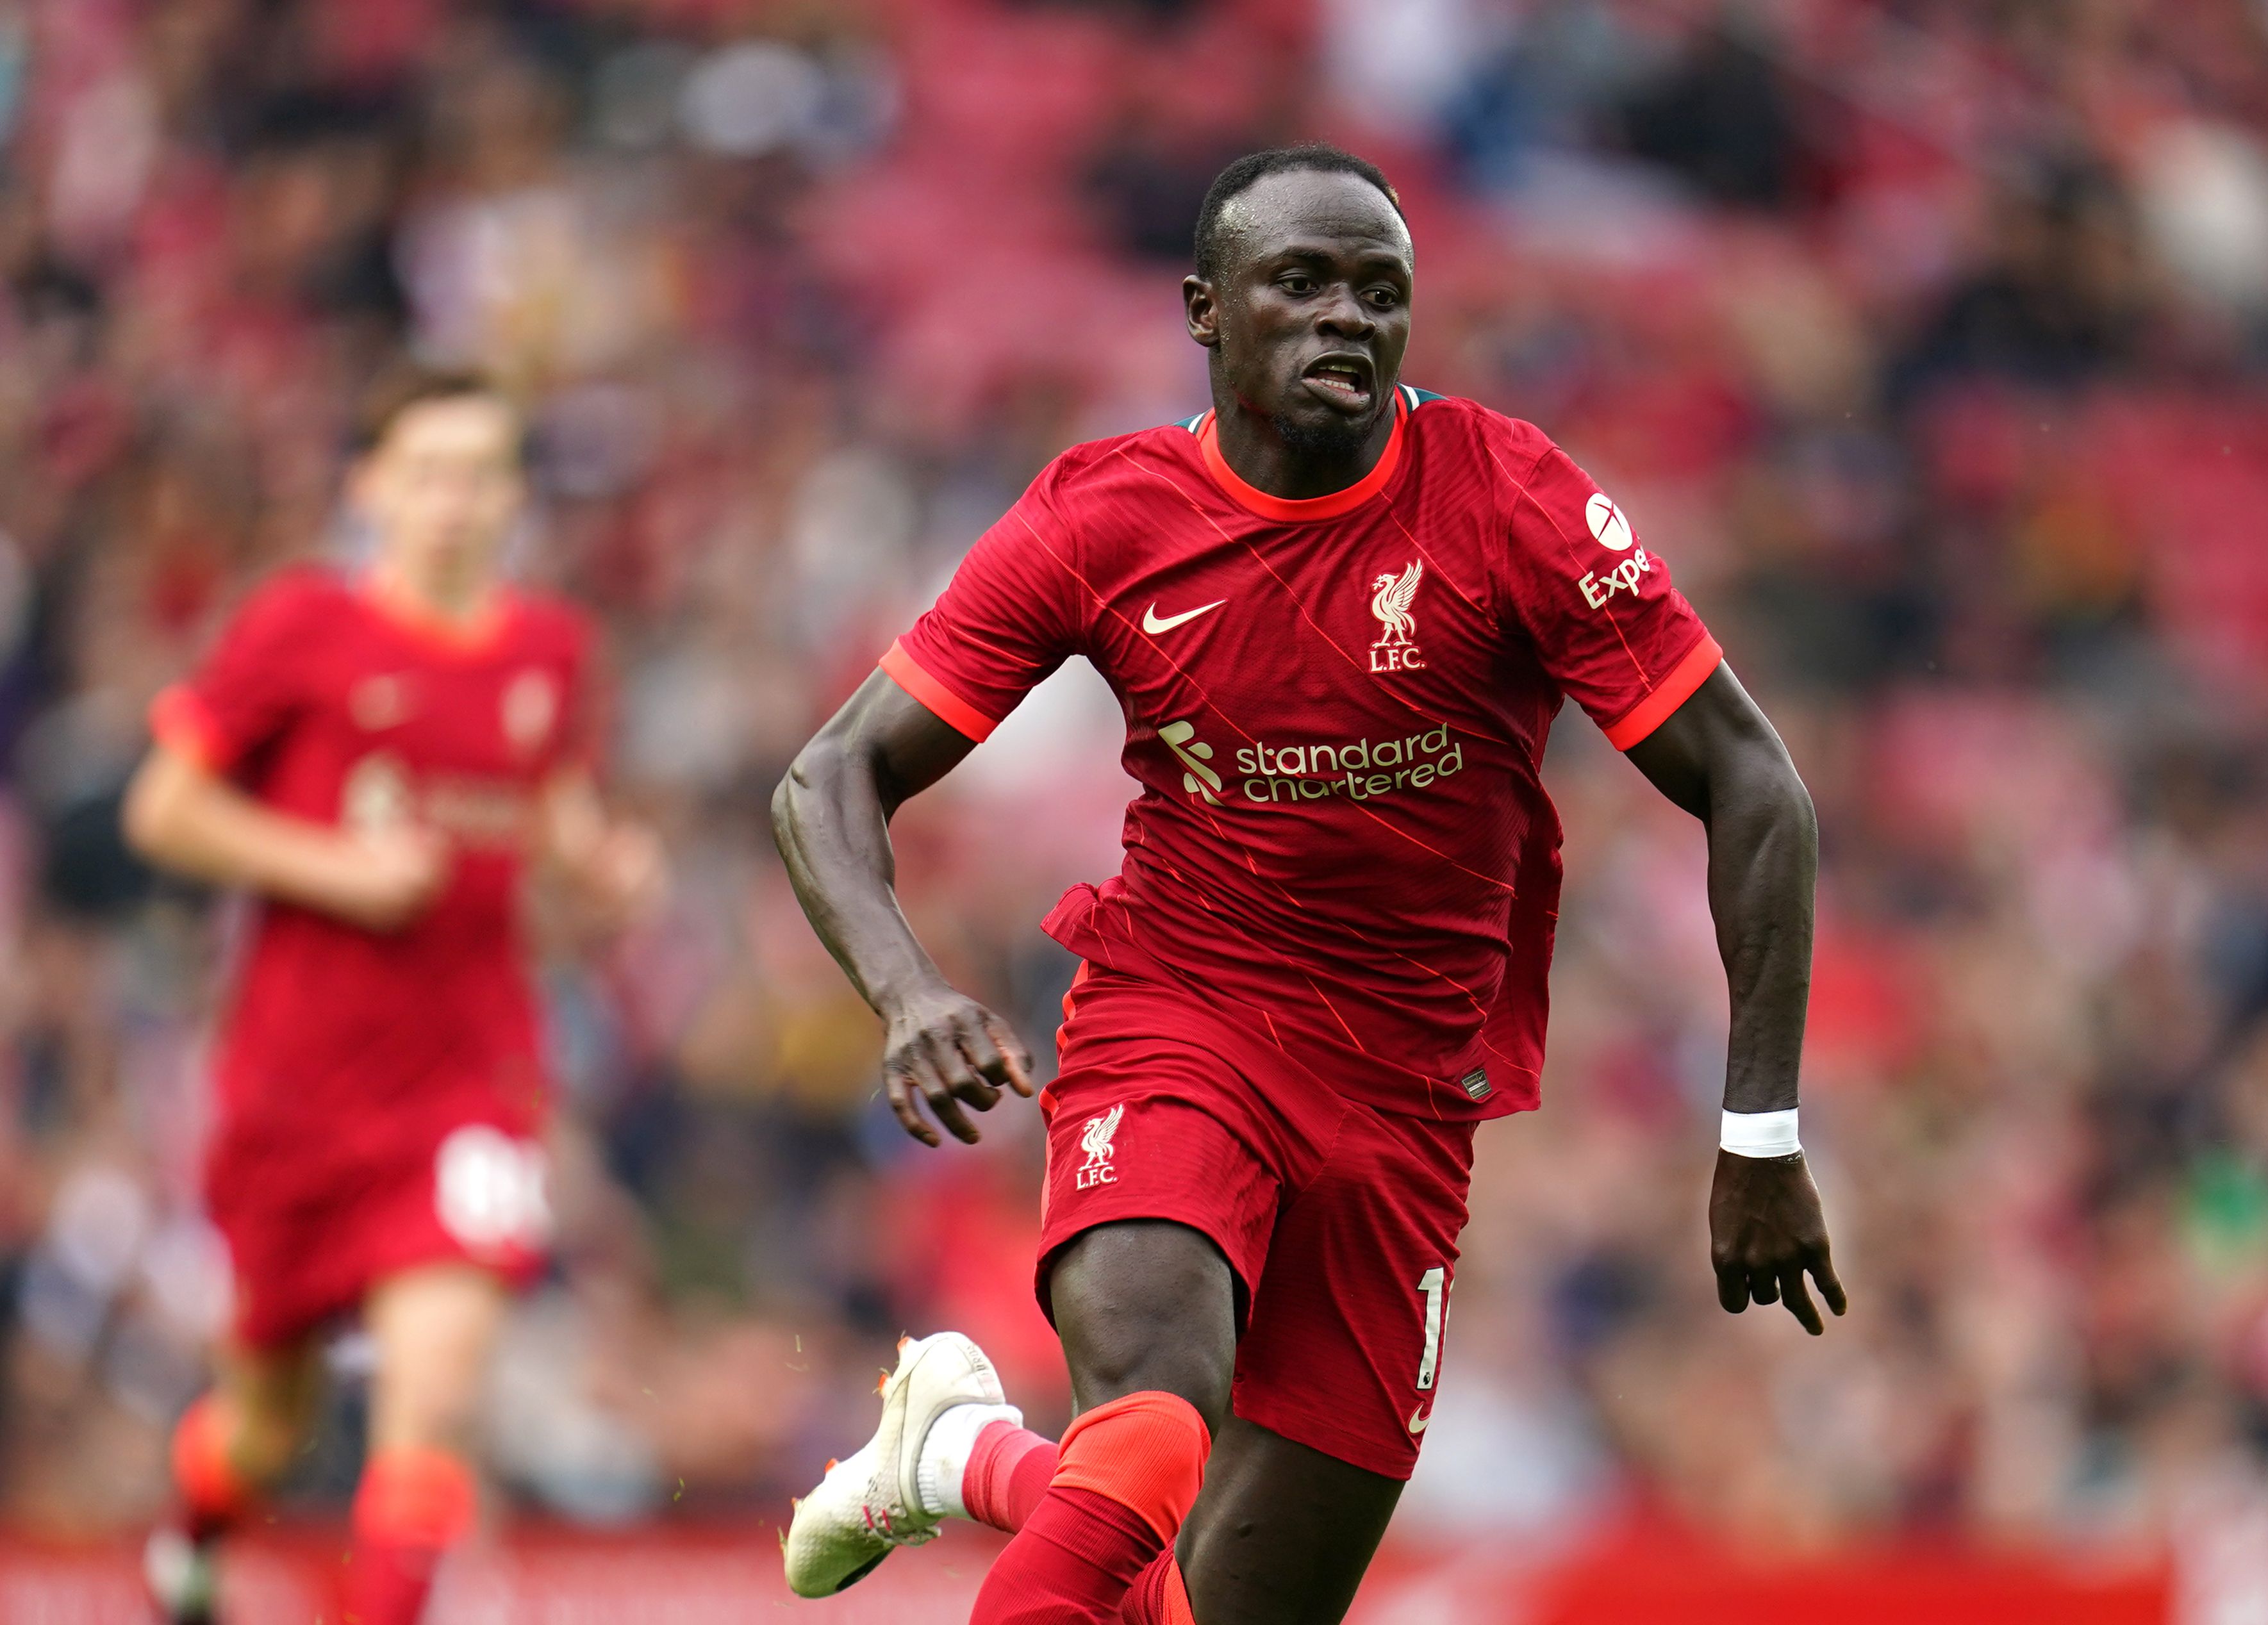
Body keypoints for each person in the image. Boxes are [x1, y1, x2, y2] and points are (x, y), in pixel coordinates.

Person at [772, 144, 1842, 1625]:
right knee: (1152, 1417)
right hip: (1183, 1016)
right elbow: (827, 776)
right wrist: (906, 990)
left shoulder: (1509, 500)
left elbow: (1754, 783)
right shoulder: (1103, 518)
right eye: (1303, 282)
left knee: (1212, 1609)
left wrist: (1762, 1128)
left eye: (1382, 292)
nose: (1349, 316)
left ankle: (964, 1454)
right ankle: (991, 1452)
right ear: (1204, 309)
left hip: (1408, 1095)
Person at [126, 371, 659, 1625]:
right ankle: (195, 1533)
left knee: (438, 1397)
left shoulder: (552, 651)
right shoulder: (299, 626)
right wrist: (336, 870)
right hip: (294, 1094)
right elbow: (165, 808)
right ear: (369, 486)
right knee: (264, 1424)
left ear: (515, 495)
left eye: (479, 473)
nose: (452, 501)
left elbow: (559, 832)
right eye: (425, 472)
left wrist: (606, 871)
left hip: (469, 1079)